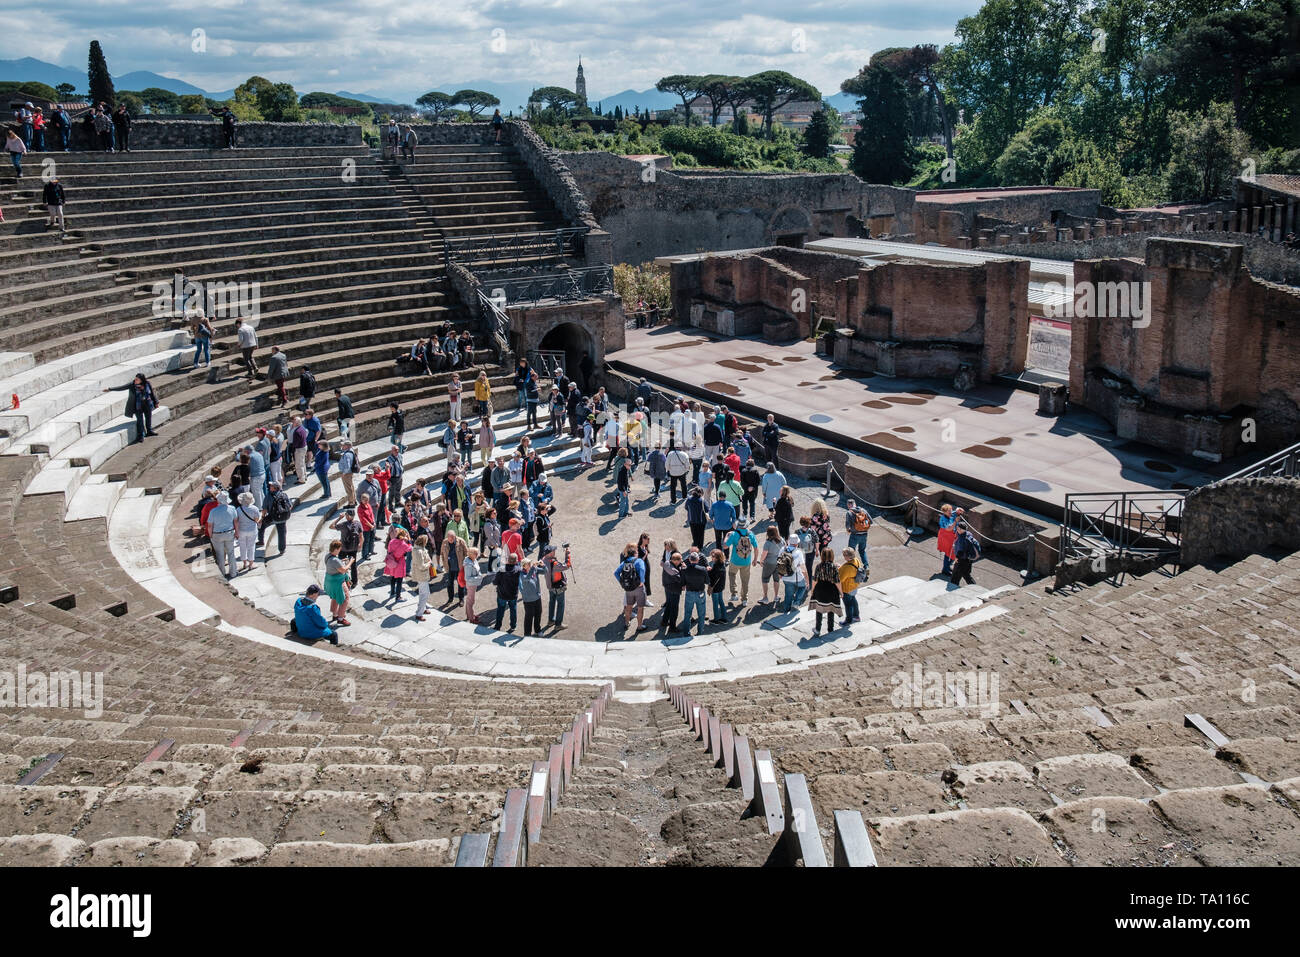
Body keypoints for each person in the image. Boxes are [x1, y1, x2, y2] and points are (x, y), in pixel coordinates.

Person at [723, 516, 758, 605]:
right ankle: (744, 599)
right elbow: (756, 548)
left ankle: (734, 594)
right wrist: (755, 559)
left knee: (732, 574)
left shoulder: (734, 534)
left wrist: (727, 536)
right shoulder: (750, 534)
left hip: (735, 560)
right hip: (746, 561)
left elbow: (725, 546)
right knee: (745, 580)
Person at [809, 547, 843, 635]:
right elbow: (837, 581)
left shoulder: (818, 566)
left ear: (822, 556)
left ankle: (817, 629)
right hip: (831, 590)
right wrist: (841, 592)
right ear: (832, 556)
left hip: (820, 589)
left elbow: (815, 580)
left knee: (819, 610)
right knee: (831, 609)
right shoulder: (834, 567)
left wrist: (812, 590)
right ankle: (830, 628)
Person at [615, 543, 648, 633]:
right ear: (635, 553)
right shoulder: (639, 561)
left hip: (628, 588)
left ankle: (627, 623)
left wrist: (622, 582)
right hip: (639, 588)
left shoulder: (624, 562)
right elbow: (642, 570)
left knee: (629, 606)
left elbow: (616, 573)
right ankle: (639, 626)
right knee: (640, 608)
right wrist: (642, 581)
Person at [207, 492, 238, 579]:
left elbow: (210, 525)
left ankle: (222, 574)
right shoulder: (232, 508)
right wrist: (237, 532)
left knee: (220, 555)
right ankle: (233, 573)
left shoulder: (213, 511)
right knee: (231, 553)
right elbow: (235, 522)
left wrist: (210, 535)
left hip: (217, 535)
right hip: (229, 533)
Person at [331, 508, 363, 587]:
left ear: (347, 516)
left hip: (343, 549)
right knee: (353, 565)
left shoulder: (343, 525)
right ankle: (354, 582)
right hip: (353, 548)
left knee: (340, 565)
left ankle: (343, 581)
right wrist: (360, 546)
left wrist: (339, 518)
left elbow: (331, 526)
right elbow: (361, 537)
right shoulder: (358, 524)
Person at [679, 551, 708, 636]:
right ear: (698, 559)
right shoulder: (703, 569)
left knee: (687, 614)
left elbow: (683, 582)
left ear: (689, 559)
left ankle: (686, 633)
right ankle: (700, 632)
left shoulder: (685, 570)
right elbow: (707, 581)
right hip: (700, 593)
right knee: (701, 614)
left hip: (690, 593)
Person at [123, 373, 159, 443]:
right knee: (140, 421)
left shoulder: (147, 383)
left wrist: (156, 402)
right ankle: (141, 435)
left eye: (137, 379)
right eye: (135, 379)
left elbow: (151, 393)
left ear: (141, 380)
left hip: (147, 404)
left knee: (148, 418)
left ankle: (149, 431)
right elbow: (122, 387)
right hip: (138, 406)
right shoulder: (132, 385)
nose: (135, 380)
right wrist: (110, 389)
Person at [324, 541, 353, 625]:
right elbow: (343, 570)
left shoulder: (327, 556)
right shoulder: (335, 560)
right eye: (339, 549)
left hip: (330, 581)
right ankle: (340, 618)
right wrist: (350, 562)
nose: (340, 550)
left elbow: (333, 563)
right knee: (345, 599)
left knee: (335, 597)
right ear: (336, 549)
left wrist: (341, 560)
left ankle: (335, 614)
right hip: (338, 582)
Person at [541, 543, 570, 630]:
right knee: (561, 604)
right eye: (553, 550)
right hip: (558, 586)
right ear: (549, 553)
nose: (554, 551)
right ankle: (558, 624)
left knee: (552, 602)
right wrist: (567, 554)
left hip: (550, 586)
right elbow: (567, 565)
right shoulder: (554, 564)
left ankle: (551, 621)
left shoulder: (543, 560)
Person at [777, 535, 808, 613]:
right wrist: (807, 580)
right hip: (797, 577)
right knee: (803, 587)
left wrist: (779, 573)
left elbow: (778, 562)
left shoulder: (782, 549)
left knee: (788, 594)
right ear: (797, 543)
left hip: (785, 576)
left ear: (788, 542)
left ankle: (786, 610)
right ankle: (796, 603)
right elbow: (803, 568)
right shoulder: (798, 552)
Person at [262, 479, 292, 556]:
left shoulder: (268, 496)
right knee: (282, 532)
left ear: (275, 488)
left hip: (273, 517)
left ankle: (260, 540)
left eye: (271, 486)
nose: (270, 487)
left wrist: (262, 517)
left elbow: (264, 509)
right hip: (283, 517)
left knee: (261, 526)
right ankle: (282, 549)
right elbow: (290, 506)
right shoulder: (284, 495)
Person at [234, 491, 262, 571]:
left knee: (242, 547)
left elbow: (237, 520)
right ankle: (251, 564)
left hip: (242, 530)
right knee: (251, 547)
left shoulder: (238, 509)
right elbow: (256, 519)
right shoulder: (255, 508)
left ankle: (244, 563)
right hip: (252, 530)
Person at [495, 553, 521, 631]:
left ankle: (497, 626)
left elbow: (495, 582)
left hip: (502, 594)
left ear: (507, 560)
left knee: (500, 610)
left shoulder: (501, 569)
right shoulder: (518, 569)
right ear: (516, 561)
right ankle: (513, 626)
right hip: (513, 594)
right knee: (513, 609)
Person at [659, 551, 683, 635]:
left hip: (667, 588)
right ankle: (672, 627)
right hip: (674, 590)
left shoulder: (667, 563)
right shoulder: (674, 572)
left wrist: (680, 565)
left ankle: (664, 621)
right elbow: (680, 578)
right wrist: (683, 568)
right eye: (680, 559)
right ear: (676, 561)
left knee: (669, 605)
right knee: (674, 609)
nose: (682, 561)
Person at [384, 528, 412, 602]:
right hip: (400, 563)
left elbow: (389, 550)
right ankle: (398, 597)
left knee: (392, 577)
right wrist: (408, 541)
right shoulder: (403, 544)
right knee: (399, 580)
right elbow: (410, 549)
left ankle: (392, 592)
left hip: (392, 561)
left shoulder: (392, 541)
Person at [441, 530, 468, 606]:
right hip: (450, 568)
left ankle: (461, 599)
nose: (451, 540)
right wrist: (444, 563)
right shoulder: (445, 542)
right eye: (449, 539)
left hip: (460, 567)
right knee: (450, 584)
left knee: (461, 584)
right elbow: (442, 553)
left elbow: (466, 552)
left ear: (455, 536)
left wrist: (466, 564)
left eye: (452, 539)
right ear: (447, 538)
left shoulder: (461, 541)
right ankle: (450, 599)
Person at [758, 525, 784, 603]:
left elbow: (764, 554)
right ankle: (776, 596)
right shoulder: (781, 540)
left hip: (769, 563)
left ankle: (765, 597)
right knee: (776, 580)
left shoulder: (768, 543)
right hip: (779, 563)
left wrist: (761, 561)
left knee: (765, 579)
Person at [838, 547, 865, 624]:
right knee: (853, 601)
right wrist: (841, 568)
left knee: (848, 605)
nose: (843, 556)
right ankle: (856, 616)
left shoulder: (847, 568)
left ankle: (848, 620)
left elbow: (840, 579)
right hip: (854, 586)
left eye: (844, 555)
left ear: (848, 556)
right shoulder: (856, 560)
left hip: (847, 588)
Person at [845, 498, 872, 568]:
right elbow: (871, 521)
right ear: (855, 504)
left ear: (848, 505)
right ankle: (866, 566)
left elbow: (847, 526)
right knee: (862, 551)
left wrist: (849, 530)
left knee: (850, 552)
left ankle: (852, 567)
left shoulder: (849, 512)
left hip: (854, 535)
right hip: (864, 534)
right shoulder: (863, 510)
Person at [519, 558, 543, 636]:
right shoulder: (522, 574)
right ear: (523, 566)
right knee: (529, 617)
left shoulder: (534, 570)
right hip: (528, 600)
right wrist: (533, 568)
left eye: (530, 563)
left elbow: (545, 571)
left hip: (537, 597)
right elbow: (527, 579)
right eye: (528, 564)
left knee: (538, 614)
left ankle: (537, 630)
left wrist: (543, 565)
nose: (530, 565)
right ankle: (527, 634)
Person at [937, 504, 960, 576]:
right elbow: (949, 529)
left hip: (951, 536)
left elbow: (955, 512)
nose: (951, 512)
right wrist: (956, 521)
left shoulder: (950, 513)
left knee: (952, 552)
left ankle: (947, 567)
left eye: (951, 510)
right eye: (949, 511)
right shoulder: (943, 519)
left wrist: (958, 510)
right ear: (944, 512)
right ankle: (945, 569)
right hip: (946, 536)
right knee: (949, 552)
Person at [463, 546, 484, 624]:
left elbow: (477, 569)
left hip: (473, 584)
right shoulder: (468, 565)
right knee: (471, 601)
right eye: (476, 553)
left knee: (469, 600)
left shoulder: (473, 560)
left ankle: (469, 615)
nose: (478, 554)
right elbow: (467, 578)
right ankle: (471, 619)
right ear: (471, 554)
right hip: (471, 584)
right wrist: (478, 577)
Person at [707, 548, 728, 624]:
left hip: (715, 588)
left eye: (713, 556)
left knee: (715, 603)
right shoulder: (722, 564)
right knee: (721, 602)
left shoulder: (716, 566)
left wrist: (710, 587)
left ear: (717, 557)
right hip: (721, 587)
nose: (711, 558)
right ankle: (724, 618)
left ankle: (716, 620)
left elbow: (714, 578)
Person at [614, 447, 632, 518]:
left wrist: (627, 485)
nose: (630, 466)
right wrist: (624, 490)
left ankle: (626, 512)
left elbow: (624, 481)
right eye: (629, 465)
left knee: (626, 501)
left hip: (624, 487)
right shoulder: (623, 472)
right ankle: (621, 515)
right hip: (623, 489)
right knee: (623, 502)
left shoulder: (624, 469)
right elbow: (620, 482)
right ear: (625, 464)